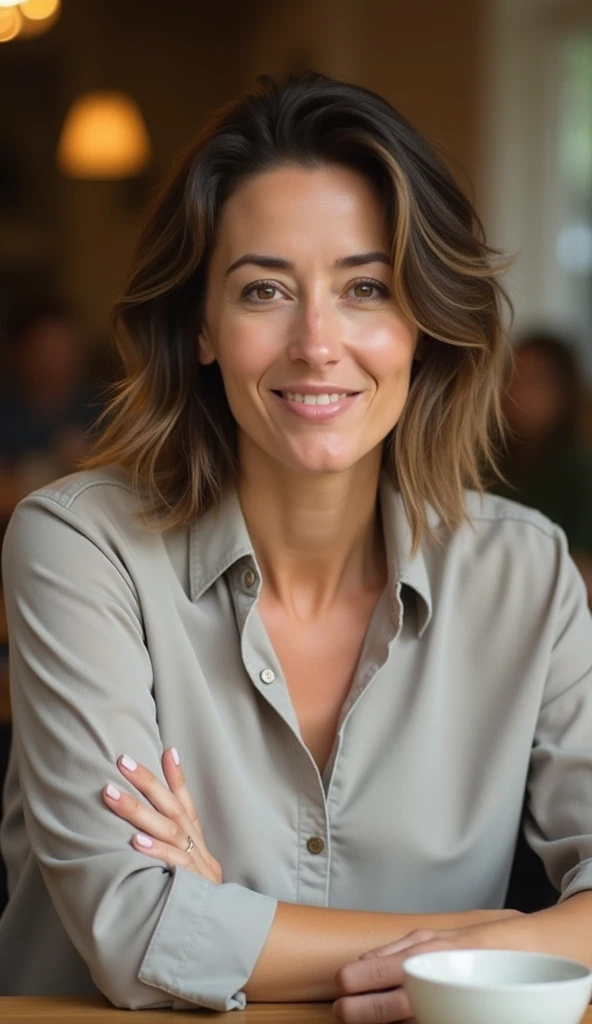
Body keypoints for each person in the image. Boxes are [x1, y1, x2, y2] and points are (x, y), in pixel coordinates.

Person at [0, 72, 591, 1022]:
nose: (318, 343)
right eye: (265, 289)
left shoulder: (528, 575)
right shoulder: (78, 548)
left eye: (367, 287)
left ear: (424, 324)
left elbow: (178, 933)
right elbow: (135, 929)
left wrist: (225, 918)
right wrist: (499, 939)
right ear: (201, 324)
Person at [493, 331, 592, 605]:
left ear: (564, 392)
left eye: (535, 383)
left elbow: (584, 573)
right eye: (511, 377)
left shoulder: (579, 468)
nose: (516, 392)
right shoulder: (488, 460)